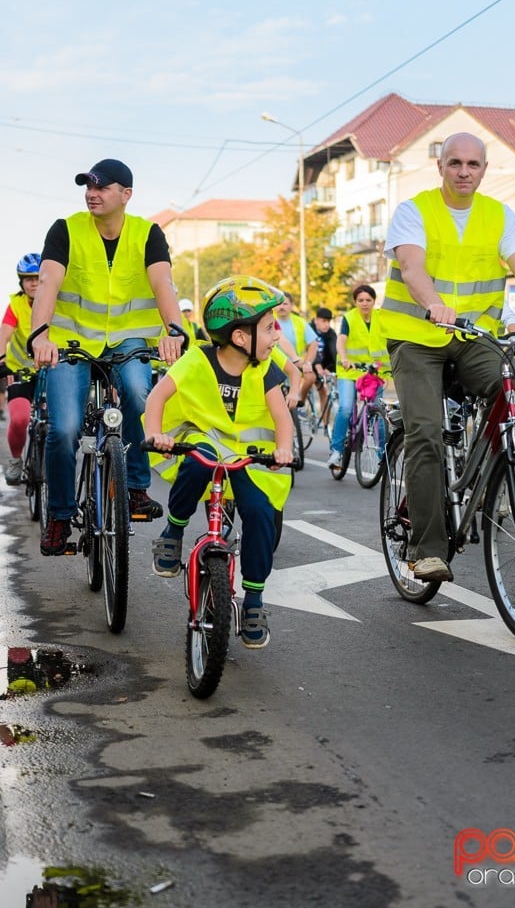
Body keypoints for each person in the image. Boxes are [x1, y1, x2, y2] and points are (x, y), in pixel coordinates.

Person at [380, 131, 515, 582]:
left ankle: (485, 473)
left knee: (511, 383)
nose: (463, 171)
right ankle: (426, 548)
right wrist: (432, 302)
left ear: (484, 170)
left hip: (473, 337)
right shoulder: (413, 211)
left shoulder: (499, 216)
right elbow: (413, 268)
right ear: (440, 167)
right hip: (416, 336)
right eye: (454, 163)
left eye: (472, 165)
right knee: (426, 432)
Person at [31, 158, 185, 556]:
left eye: (101, 187)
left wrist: (174, 328)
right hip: (69, 341)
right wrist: (40, 333)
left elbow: (162, 281)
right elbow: (47, 280)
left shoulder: (148, 233)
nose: (91, 194)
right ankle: (61, 515)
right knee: (63, 428)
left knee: (137, 392)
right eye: (88, 186)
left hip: (130, 340)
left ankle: (134, 488)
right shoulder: (66, 229)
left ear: (126, 195)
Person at [144, 275, 294, 649]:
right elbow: (156, 398)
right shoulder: (198, 360)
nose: (277, 335)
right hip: (206, 443)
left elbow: (281, 418)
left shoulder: (265, 367)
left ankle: (255, 601)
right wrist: (155, 433)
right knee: (199, 461)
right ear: (241, 337)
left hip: (251, 459)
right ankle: (173, 533)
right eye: (269, 327)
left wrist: (285, 449)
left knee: (260, 513)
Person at [327, 284, 389, 469]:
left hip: (374, 373)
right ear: (355, 302)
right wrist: (344, 358)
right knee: (346, 408)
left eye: (368, 300)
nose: (364, 303)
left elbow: (390, 342)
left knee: (378, 411)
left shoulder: (381, 318)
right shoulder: (349, 318)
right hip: (350, 371)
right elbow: (341, 340)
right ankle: (336, 451)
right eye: (360, 300)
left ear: (374, 301)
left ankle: (382, 454)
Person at [0, 254, 42, 484]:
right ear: (21, 282)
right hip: (20, 370)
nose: (33, 283)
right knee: (21, 419)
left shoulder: (59, 301)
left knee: (60, 425)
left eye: (37, 277)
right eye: (27, 279)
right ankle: (15, 460)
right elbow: (3, 336)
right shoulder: (16, 305)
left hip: (51, 370)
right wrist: (0, 360)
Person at [275, 292, 317, 404]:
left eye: (285, 304)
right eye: (279, 304)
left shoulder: (299, 321)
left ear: (292, 305)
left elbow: (313, 344)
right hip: (276, 363)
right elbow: (281, 340)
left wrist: (307, 363)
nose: (281, 307)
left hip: (297, 362)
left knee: (310, 377)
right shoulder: (270, 319)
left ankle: (300, 401)